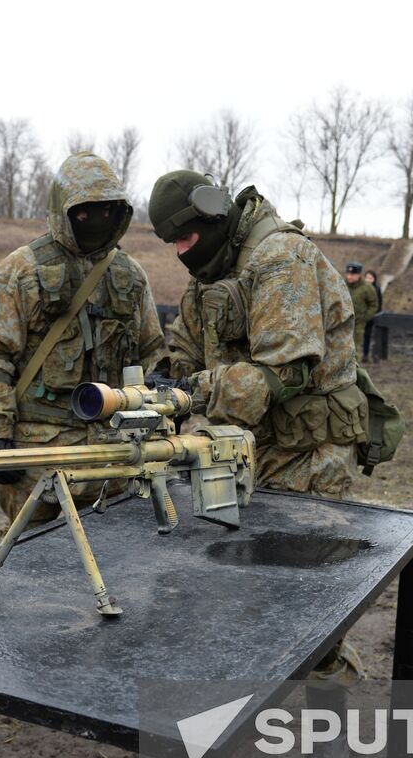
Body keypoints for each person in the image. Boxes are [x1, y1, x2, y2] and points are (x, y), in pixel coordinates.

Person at [148, 169, 368, 686]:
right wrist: (166, 375)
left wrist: (192, 391)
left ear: (212, 217)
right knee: (246, 588)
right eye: (171, 243)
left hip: (307, 451)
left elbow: (283, 373)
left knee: (304, 603)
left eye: (185, 238)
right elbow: (189, 341)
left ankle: (332, 708)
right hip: (246, 447)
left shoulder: (281, 259)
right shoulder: (214, 267)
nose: (180, 252)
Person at [0, 151, 163, 526]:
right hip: (36, 455)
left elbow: (151, 353)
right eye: (84, 212)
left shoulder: (130, 274)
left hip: (112, 454)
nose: (96, 220)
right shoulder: (21, 269)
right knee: (27, 551)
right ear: (64, 211)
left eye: (106, 211)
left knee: (112, 551)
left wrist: (158, 421)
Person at [344, 262, 378, 357]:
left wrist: (364, 318)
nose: (349, 276)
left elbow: (373, 305)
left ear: (358, 274)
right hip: (343, 322)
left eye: (352, 274)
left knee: (355, 350)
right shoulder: (341, 285)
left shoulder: (367, 288)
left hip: (358, 324)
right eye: (348, 274)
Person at [362, 270, 384, 362]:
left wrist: (375, 314)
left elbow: (379, 303)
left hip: (374, 316)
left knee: (375, 337)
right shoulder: (362, 288)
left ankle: (375, 355)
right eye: (367, 278)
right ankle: (364, 355)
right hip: (363, 316)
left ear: (374, 279)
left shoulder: (377, 289)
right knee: (365, 336)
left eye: (370, 278)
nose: (368, 280)